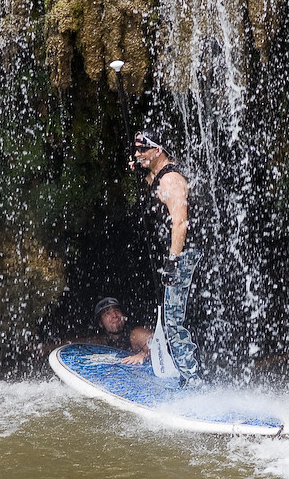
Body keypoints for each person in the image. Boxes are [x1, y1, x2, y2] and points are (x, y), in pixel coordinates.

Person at [130, 129, 204, 387]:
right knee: (174, 317)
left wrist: (173, 260)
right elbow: (152, 180)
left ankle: (193, 380)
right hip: (178, 255)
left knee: (173, 320)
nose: (137, 154)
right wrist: (141, 168)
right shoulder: (158, 174)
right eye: (136, 150)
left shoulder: (171, 180)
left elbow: (180, 222)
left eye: (142, 150)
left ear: (158, 150)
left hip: (184, 255)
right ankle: (189, 372)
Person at [90, 296, 153, 365]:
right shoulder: (104, 340)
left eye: (116, 311)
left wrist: (143, 355)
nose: (114, 315)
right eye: (107, 313)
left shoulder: (136, 333)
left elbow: (156, 343)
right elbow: (84, 341)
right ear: (101, 323)